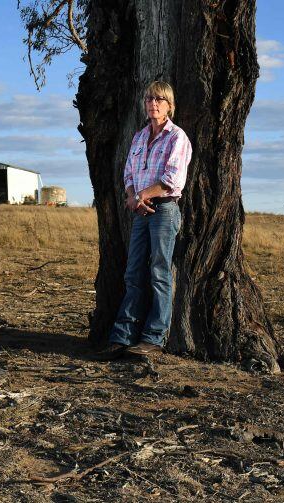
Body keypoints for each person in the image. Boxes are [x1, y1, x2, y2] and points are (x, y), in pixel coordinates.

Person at [95, 81, 192, 360]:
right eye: (150, 98)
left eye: (160, 99)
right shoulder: (138, 137)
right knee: (133, 272)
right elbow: (128, 173)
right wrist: (132, 196)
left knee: (159, 273)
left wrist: (141, 196)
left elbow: (173, 180)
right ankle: (123, 335)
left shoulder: (177, 138)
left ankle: (154, 337)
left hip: (163, 210)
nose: (153, 103)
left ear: (169, 106)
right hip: (140, 211)